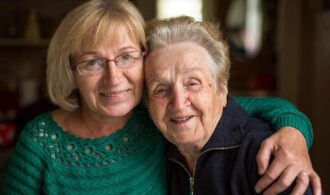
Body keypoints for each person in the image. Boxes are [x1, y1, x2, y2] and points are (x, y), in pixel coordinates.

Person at [3, 0, 320, 194]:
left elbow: (261, 107)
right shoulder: (39, 143)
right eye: (92, 62)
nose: (114, 78)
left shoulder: (155, 114)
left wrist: (294, 135)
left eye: (126, 56)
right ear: (70, 70)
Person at [144, 16, 320, 194]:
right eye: (160, 89)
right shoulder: (155, 150)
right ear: (148, 102)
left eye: (192, 83)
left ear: (222, 88)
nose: (179, 103)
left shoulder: (265, 155)